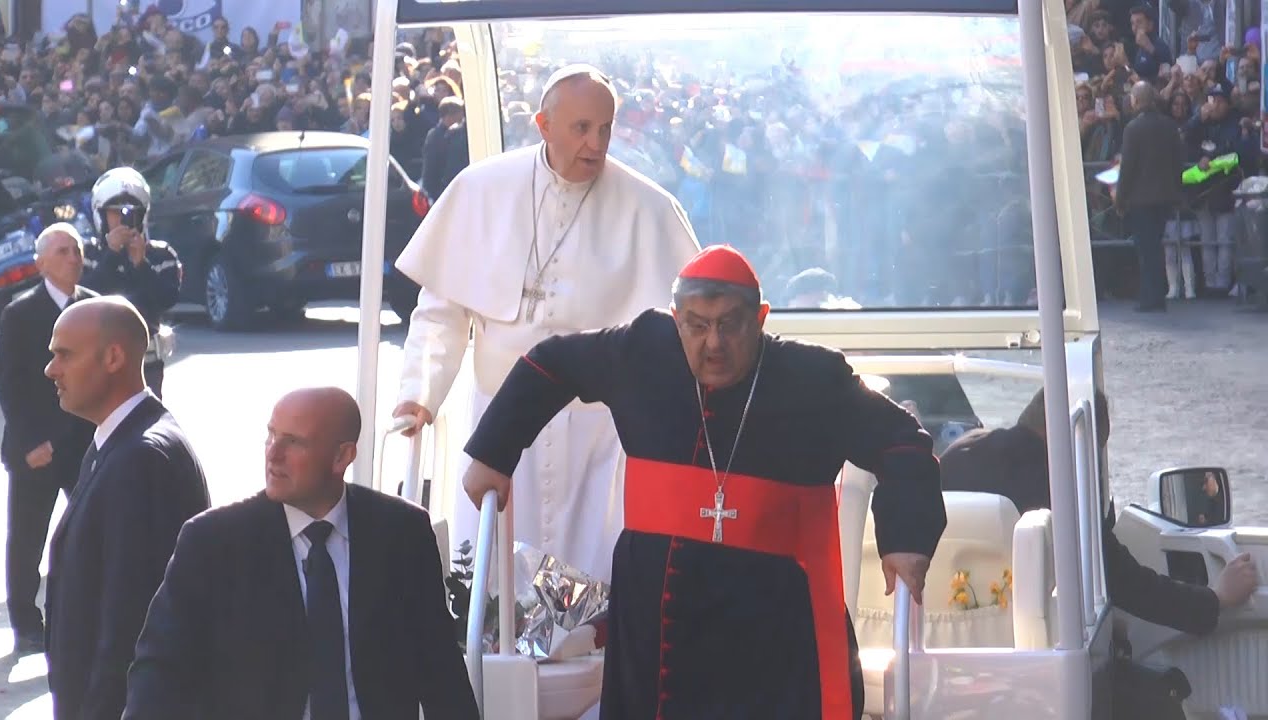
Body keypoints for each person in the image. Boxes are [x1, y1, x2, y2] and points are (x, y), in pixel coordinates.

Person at [460, 245, 946, 719]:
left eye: (729, 325)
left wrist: (904, 540)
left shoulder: (814, 378)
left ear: (760, 318)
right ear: (676, 319)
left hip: (772, 627)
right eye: (696, 325)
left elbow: (903, 442)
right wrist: (492, 452)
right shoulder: (642, 350)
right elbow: (551, 364)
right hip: (658, 622)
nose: (713, 343)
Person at [392, 63, 701, 583]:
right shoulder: (482, 189)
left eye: (605, 129)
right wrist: (419, 394)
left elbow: (681, 331)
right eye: (581, 128)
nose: (595, 144)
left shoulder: (647, 207)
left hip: (597, 437)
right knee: (491, 580)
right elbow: (441, 312)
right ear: (543, 124)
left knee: (594, 579)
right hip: (499, 422)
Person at [124, 388, 478, 720]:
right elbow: (159, 668)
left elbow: (439, 665)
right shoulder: (213, 541)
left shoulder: (401, 532)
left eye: (293, 443)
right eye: (271, 436)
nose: (272, 454)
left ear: (342, 456)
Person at [939, 387, 1258, 635]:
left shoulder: (957, 455)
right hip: (1036, 644)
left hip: (944, 627)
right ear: (1082, 440)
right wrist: (1216, 598)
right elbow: (1125, 583)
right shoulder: (1060, 487)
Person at [43, 297, 211, 720]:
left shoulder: (141, 457)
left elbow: (128, 622)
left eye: (64, 354)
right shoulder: (116, 441)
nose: (51, 369)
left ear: (114, 356)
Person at [0, 223, 98, 655]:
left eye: (75, 250)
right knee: (27, 537)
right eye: (61, 251)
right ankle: (26, 622)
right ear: (40, 264)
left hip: (82, 443)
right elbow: (11, 386)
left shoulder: (95, 308)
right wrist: (30, 442)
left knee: (95, 530)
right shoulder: (20, 314)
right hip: (35, 445)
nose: (72, 257)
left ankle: (87, 613)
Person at [85, 166, 182, 397]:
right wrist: (112, 254)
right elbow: (85, 295)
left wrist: (141, 265)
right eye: (114, 212)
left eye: (130, 212)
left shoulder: (161, 254)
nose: (122, 219)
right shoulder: (88, 254)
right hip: (98, 360)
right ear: (101, 214)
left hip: (146, 362)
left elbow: (168, 299)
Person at [1114, 81, 1185, 312]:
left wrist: (1120, 198)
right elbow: (1178, 162)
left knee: (1146, 250)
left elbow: (1127, 168)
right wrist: (1176, 190)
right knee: (1156, 246)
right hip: (1164, 197)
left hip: (1140, 199)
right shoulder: (1169, 126)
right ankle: (1157, 294)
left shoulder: (1133, 129)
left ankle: (1150, 296)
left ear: (1136, 100)